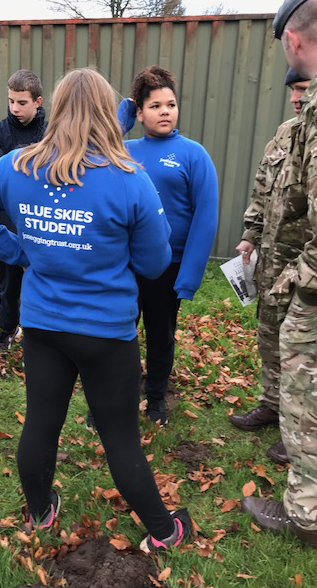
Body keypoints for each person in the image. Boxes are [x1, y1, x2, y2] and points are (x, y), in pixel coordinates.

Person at [0, 68, 192, 553]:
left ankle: (40, 512)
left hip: (43, 325)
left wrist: (18, 247)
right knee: (120, 437)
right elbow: (155, 262)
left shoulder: (20, 165)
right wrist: (17, 251)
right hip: (105, 332)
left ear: (54, 107)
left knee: (41, 421)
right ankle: (165, 531)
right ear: (108, 111)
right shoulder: (128, 178)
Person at [241, 0, 317, 547]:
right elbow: (270, 196)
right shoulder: (291, 132)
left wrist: (293, 280)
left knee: (305, 384)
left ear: (292, 39)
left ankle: (305, 513)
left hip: (307, 279)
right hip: (285, 266)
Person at [117, 66, 219, 425]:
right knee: (120, 336)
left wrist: (188, 275)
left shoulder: (193, 155)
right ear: (139, 111)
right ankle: (119, 400)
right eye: (154, 105)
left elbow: (206, 217)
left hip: (169, 268)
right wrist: (120, 120)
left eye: (171, 104)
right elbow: (90, 154)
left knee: (160, 336)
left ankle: (157, 398)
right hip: (126, 264)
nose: (165, 111)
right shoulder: (123, 150)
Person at [231, 69, 311, 466]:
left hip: (305, 267)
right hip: (272, 262)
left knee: (302, 352)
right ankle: (271, 406)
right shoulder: (283, 134)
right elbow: (262, 188)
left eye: (303, 88)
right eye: (293, 90)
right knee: (270, 338)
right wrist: (250, 232)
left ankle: (297, 431)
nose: (297, 97)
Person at [0, 70, 46, 350]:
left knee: (43, 279)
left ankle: (41, 332)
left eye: (21, 102)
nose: (15, 109)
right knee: (9, 282)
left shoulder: (53, 132)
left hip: (45, 221)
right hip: (8, 223)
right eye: (11, 102)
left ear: (38, 101)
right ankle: (7, 328)